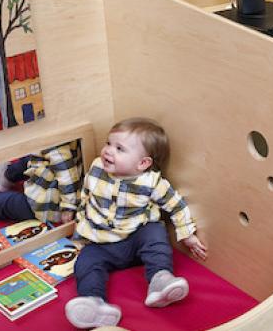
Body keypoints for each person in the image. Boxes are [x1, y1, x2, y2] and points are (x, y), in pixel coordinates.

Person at [64, 118, 208, 329]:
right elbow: (86, 196)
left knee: (155, 232)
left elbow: (176, 206)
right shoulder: (96, 168)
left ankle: (160, 280)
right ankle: (94, 303)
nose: (108, 151)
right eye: (108, 143)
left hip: (135, 240)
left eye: (119, 148)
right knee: (85, 262)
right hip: (101, 244)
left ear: (143, 163)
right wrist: (78, 221)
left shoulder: (151, 183)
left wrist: (187, 234)